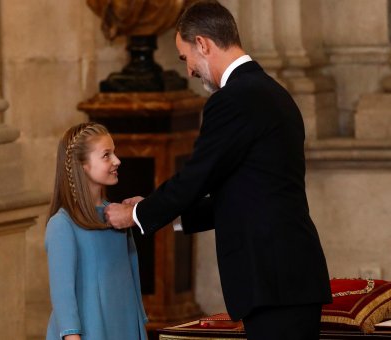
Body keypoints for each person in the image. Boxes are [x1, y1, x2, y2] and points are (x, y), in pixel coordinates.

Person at [104, 1, 332, 339]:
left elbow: (196, 177)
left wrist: (136, 214)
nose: (190, 72)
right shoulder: (272, 93)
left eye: (186, 59)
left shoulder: (233, 100)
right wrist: (171, 214)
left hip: (272, 280)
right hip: (289, 277)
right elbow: (245, 193)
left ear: (203, 44)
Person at [44, 122, 147, 340]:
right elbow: (63, 298)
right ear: (82, 165)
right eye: (106, 155)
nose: (117, 161)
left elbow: (132, 284)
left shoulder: (118, 218)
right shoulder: (62, 225)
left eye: (114, 153)